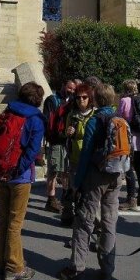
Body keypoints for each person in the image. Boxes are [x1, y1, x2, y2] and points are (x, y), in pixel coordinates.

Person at [58, 82, 122, 280]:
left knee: (83, 221)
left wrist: (77, 182)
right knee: (109, 222)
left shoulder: (95, 121)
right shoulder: (120, 120)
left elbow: (85, 154)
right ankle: (107, 269)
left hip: (96, 176)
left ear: (95, 100)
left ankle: (77, 267)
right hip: (116, 174)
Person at [0, 81, 45, 280]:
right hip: (19, 177)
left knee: (4, 220)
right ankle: (15, 267)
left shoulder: (7, 112)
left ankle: (3, 261)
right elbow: (33, 151)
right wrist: (18, 169)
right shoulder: (35, 120)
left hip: (1, 173)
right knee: (15, 224)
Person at [62, 82, 95, 226]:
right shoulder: (72, 115)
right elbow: (66, 133)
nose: (81, 100)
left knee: (89, 192)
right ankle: (70, 216)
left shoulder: (95, 114)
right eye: (78, 98)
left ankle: (88, 221)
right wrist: (68, 133)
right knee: (73, 188)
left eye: (84, 97)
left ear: (90, 98)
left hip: (91, 158)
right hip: (75, 157)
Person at [43, 80, 76, 213]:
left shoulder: (73, 101)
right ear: (63, 86)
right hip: (56, 140)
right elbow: (47, 120)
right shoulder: (52, 100)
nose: (71, 91)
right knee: (53, 171)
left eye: (74, 89)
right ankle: (50, 200)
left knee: (66, 172)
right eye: (69, 88)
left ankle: (63, 197)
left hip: (67, 141)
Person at [117, 79, 140, 210]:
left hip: (129, 139)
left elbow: (118, 118)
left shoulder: (124, 101)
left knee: (129, 169)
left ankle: (131, 198)